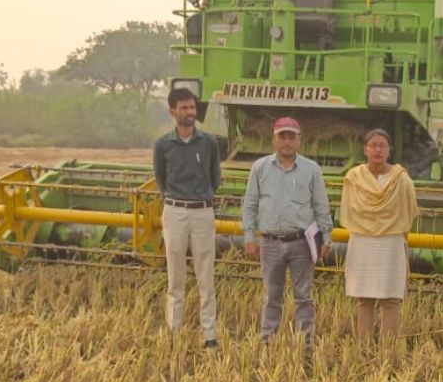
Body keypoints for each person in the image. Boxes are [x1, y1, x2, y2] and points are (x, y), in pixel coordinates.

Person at [241, 116, 333, 347]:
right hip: (270, 242)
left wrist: (327, 237)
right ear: (274, 139)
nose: (287, 142)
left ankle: (306, 341)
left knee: (304, 296)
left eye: (292, 137)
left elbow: (321, 206)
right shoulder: (260, 168)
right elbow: (250, 204)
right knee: (272, 297)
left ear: (299, 140)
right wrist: (249, 237)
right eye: (283, 137)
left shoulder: (311, 169)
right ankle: (267, 340)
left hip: (302, 242)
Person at [152, 88, 221, 347]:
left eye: (192, 108)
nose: (190, 112)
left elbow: (215, 178)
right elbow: (161, 178)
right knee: (175, 278)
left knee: (206, 277)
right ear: (172, 111)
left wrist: (202, 199)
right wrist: (174, 201)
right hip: (174, 211)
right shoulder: (163, 145)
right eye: (184, 108)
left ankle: (209, 336)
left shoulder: (209, 143)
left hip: (203, 211)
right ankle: (174, 334)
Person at [340, 128, 419, 343]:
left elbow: (410, 209)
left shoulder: (401, 179)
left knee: (391, 299)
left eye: (382, 145)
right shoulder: (354, 177)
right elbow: (349, 208)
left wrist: (391, 226)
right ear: (365, 149)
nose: (377, 150)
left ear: (389, 150)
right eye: (373, 145)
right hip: (362, 240)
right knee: (364, 298)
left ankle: (388, 349)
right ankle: (363, 346)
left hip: (391, 241)